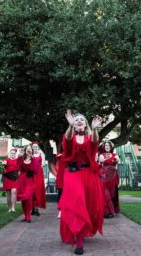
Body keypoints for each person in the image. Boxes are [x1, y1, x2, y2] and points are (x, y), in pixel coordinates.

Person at [59, 109, 104, 255]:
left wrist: (95, 128)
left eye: (82, 120)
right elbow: (67, 140)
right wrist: (70, 126)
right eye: (76, 119)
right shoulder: (70, 135)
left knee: (87, 205)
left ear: (85, 125)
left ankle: (81, 232)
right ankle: (79, 242)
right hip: (73, 174)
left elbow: (95, 142)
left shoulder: (89, 137)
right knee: (77, 202)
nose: (79, 121)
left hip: (88, 175)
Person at [98, 141, 120, 218]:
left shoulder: (115, 155)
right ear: (104, 147)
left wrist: (115, 160)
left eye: (108, 145)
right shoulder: (102, 155)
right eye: (106, 145)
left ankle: (113, 209)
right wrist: (105, 159)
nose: (107, 147)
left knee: (113, 193)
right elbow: (100, 161)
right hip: (104, 176)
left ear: (111, 147)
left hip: (113, 176)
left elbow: (118, 160)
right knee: (106, 193)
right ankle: (108, 211)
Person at [17, 145, 37, 223]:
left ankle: (28, 216)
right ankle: (26, 216)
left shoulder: (33, 159)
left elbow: (35, 170)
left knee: (28, 197)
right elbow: (17, 167)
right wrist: (19, 156)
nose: (29, 151)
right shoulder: (21, 159)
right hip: (22, 180)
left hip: (30, 180)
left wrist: (32, 158)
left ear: (32, 151)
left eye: (30, 149)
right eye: (27, 149)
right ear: (25, 151)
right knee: (23, 199)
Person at [2, 148, 20, 213]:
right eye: (11, 153)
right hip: (7, 178)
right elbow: (2, 167)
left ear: (16, 154)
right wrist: (3, 164)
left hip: (15, 178)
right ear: (9, 154)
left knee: (14, 191)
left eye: (14, 153)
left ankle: (13, 207)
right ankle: (9, 208)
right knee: (8, 193)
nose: (12, 154)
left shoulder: (18, 160)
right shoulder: (6, 160)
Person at [31, 142, 46, 216]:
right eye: (33, 147)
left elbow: (43, 164)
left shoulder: (41, 154)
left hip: (39, 174)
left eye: (36, 147)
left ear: (38, 147)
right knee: (32, 191)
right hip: (32, 174)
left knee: (38, 190)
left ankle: (37, 208)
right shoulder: (30, 155)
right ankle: (32, 208)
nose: (35, 148)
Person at [55, 150, 65, 219]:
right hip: (61, 177)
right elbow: (57, 156)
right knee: (60, 194)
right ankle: (60, 211)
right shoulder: (60, 155)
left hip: (69, 176)